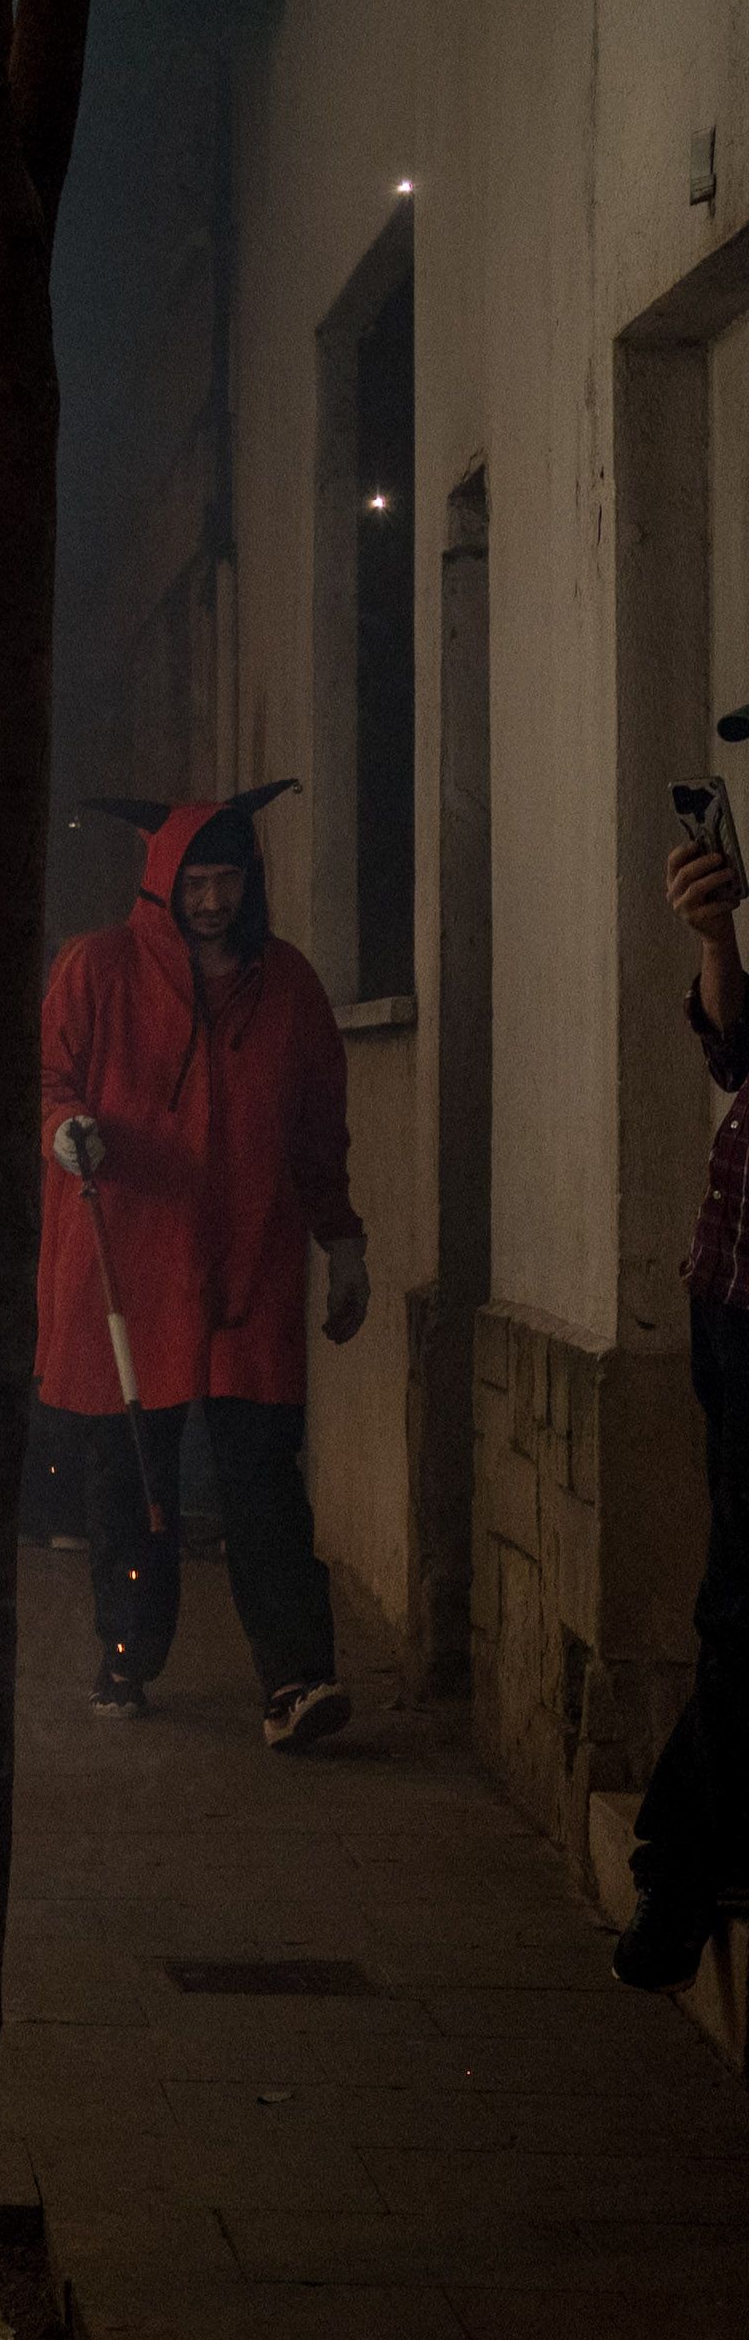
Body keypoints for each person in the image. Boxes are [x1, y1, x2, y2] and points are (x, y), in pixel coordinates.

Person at [40, 787, 369, 1742]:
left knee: (264, 1480)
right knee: (130, 1481)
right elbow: (53, 1081)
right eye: (197, 881)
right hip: (130, 1270)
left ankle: (297, 1681)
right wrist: (68, 1131)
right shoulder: (95, 970)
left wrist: (339, 1239)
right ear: (162, 884)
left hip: (248, 1268)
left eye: (229, 880)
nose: (213, 900)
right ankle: (126, 1654)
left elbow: (316, 1132)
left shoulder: (290, 987)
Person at [620, 822, 749, 1987]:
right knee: (739, 1591)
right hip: (739, 1280)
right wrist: (715, 935)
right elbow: (734, 1046)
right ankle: (682, 1854)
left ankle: (684, 1846)